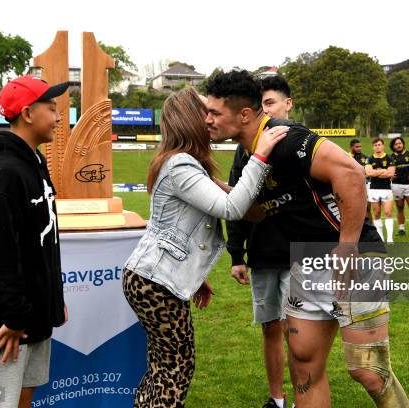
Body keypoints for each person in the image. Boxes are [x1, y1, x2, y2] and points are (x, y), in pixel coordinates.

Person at [206, 71, 409, 408]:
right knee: (303, 367)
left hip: (354, 259)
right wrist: (224, 192)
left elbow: (350, 173)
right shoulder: (249, 154)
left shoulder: (286, 139)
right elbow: (258, 212)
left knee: (369, 371)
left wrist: (347, 247)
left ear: (244, 114)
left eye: (214, 113)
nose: (207, 119)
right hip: (306, 262)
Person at [122, 88, 287, 407]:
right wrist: (260, 154)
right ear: (190, 120)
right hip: (155, 283)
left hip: (152, 279)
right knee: (175, 370)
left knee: (163, 368)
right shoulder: (181, 165)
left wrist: (195, 276)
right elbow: (231, 207)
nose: (212, 119)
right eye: (206, 113)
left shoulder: (184, 163)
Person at [0, 75, 69, 408]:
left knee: (24, 398)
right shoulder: (4, 174)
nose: (58, 117)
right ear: (27, 114)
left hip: (35, 318)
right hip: (6, 328)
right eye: (51, 108)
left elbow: (43, 242)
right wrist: (12, 318)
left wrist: (54, 296)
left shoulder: (36, 164)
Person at [226, 74, 293, 408]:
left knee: (300, 331)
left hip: (302, 254)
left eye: (270, 103)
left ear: (287, 104)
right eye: (261, 105)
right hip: (264, 253)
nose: (266, 112)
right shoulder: (244, 150)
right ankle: (277, 398)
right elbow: (236, 202)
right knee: (270, 328)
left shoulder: (300, 145)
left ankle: (306, 398)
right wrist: (236, 254)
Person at [365, 138, 396, 243]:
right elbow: (368, 173)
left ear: (383, 146)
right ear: (373, 147)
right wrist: (383, 171)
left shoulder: (389, 158)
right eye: (375, 145)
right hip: (373, 189)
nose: (377, 147)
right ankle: (381, 238)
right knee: (377, 214)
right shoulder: (369, 159)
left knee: (388, 212)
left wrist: (377, 172)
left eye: (379, 144)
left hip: (386, 189)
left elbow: (390, 174)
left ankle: (390, 239)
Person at [389, 137, 409, 237]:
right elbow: (385, 169)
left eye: (400, 143)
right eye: (396, 144)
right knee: (399, 208)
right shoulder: (390, 157)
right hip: (396, 185)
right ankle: (401, 229)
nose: (398, 145)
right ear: (393, 146)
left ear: (403, 144)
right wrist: (389, 175)